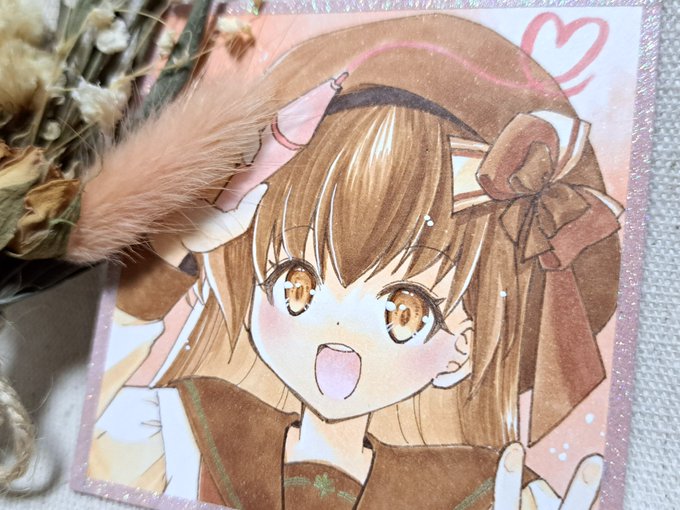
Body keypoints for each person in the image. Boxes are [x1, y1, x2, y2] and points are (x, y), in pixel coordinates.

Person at [89, 14, 621, 510]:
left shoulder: (485, 493)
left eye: (406, 312)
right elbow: (96, 428)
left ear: (462, 349)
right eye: (296, 285)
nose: (336, 332)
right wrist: (170, 254)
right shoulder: (188, 431)